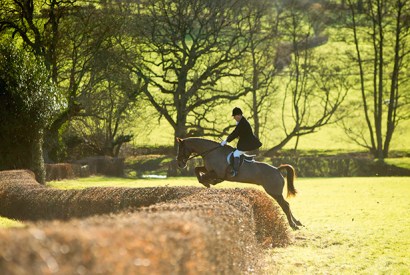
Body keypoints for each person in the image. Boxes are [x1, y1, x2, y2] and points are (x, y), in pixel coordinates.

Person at [220, 107, 262, 177]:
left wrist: (226, 140)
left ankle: (235, 171)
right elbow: (235, 133)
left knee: (236, 153)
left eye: (235, 116)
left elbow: (235, 133)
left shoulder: (242, 123)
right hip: (245, 143)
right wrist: (227, 140)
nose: (234, 118)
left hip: (248, 144)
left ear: (239, 115)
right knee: (235, 152)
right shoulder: (241, 122)